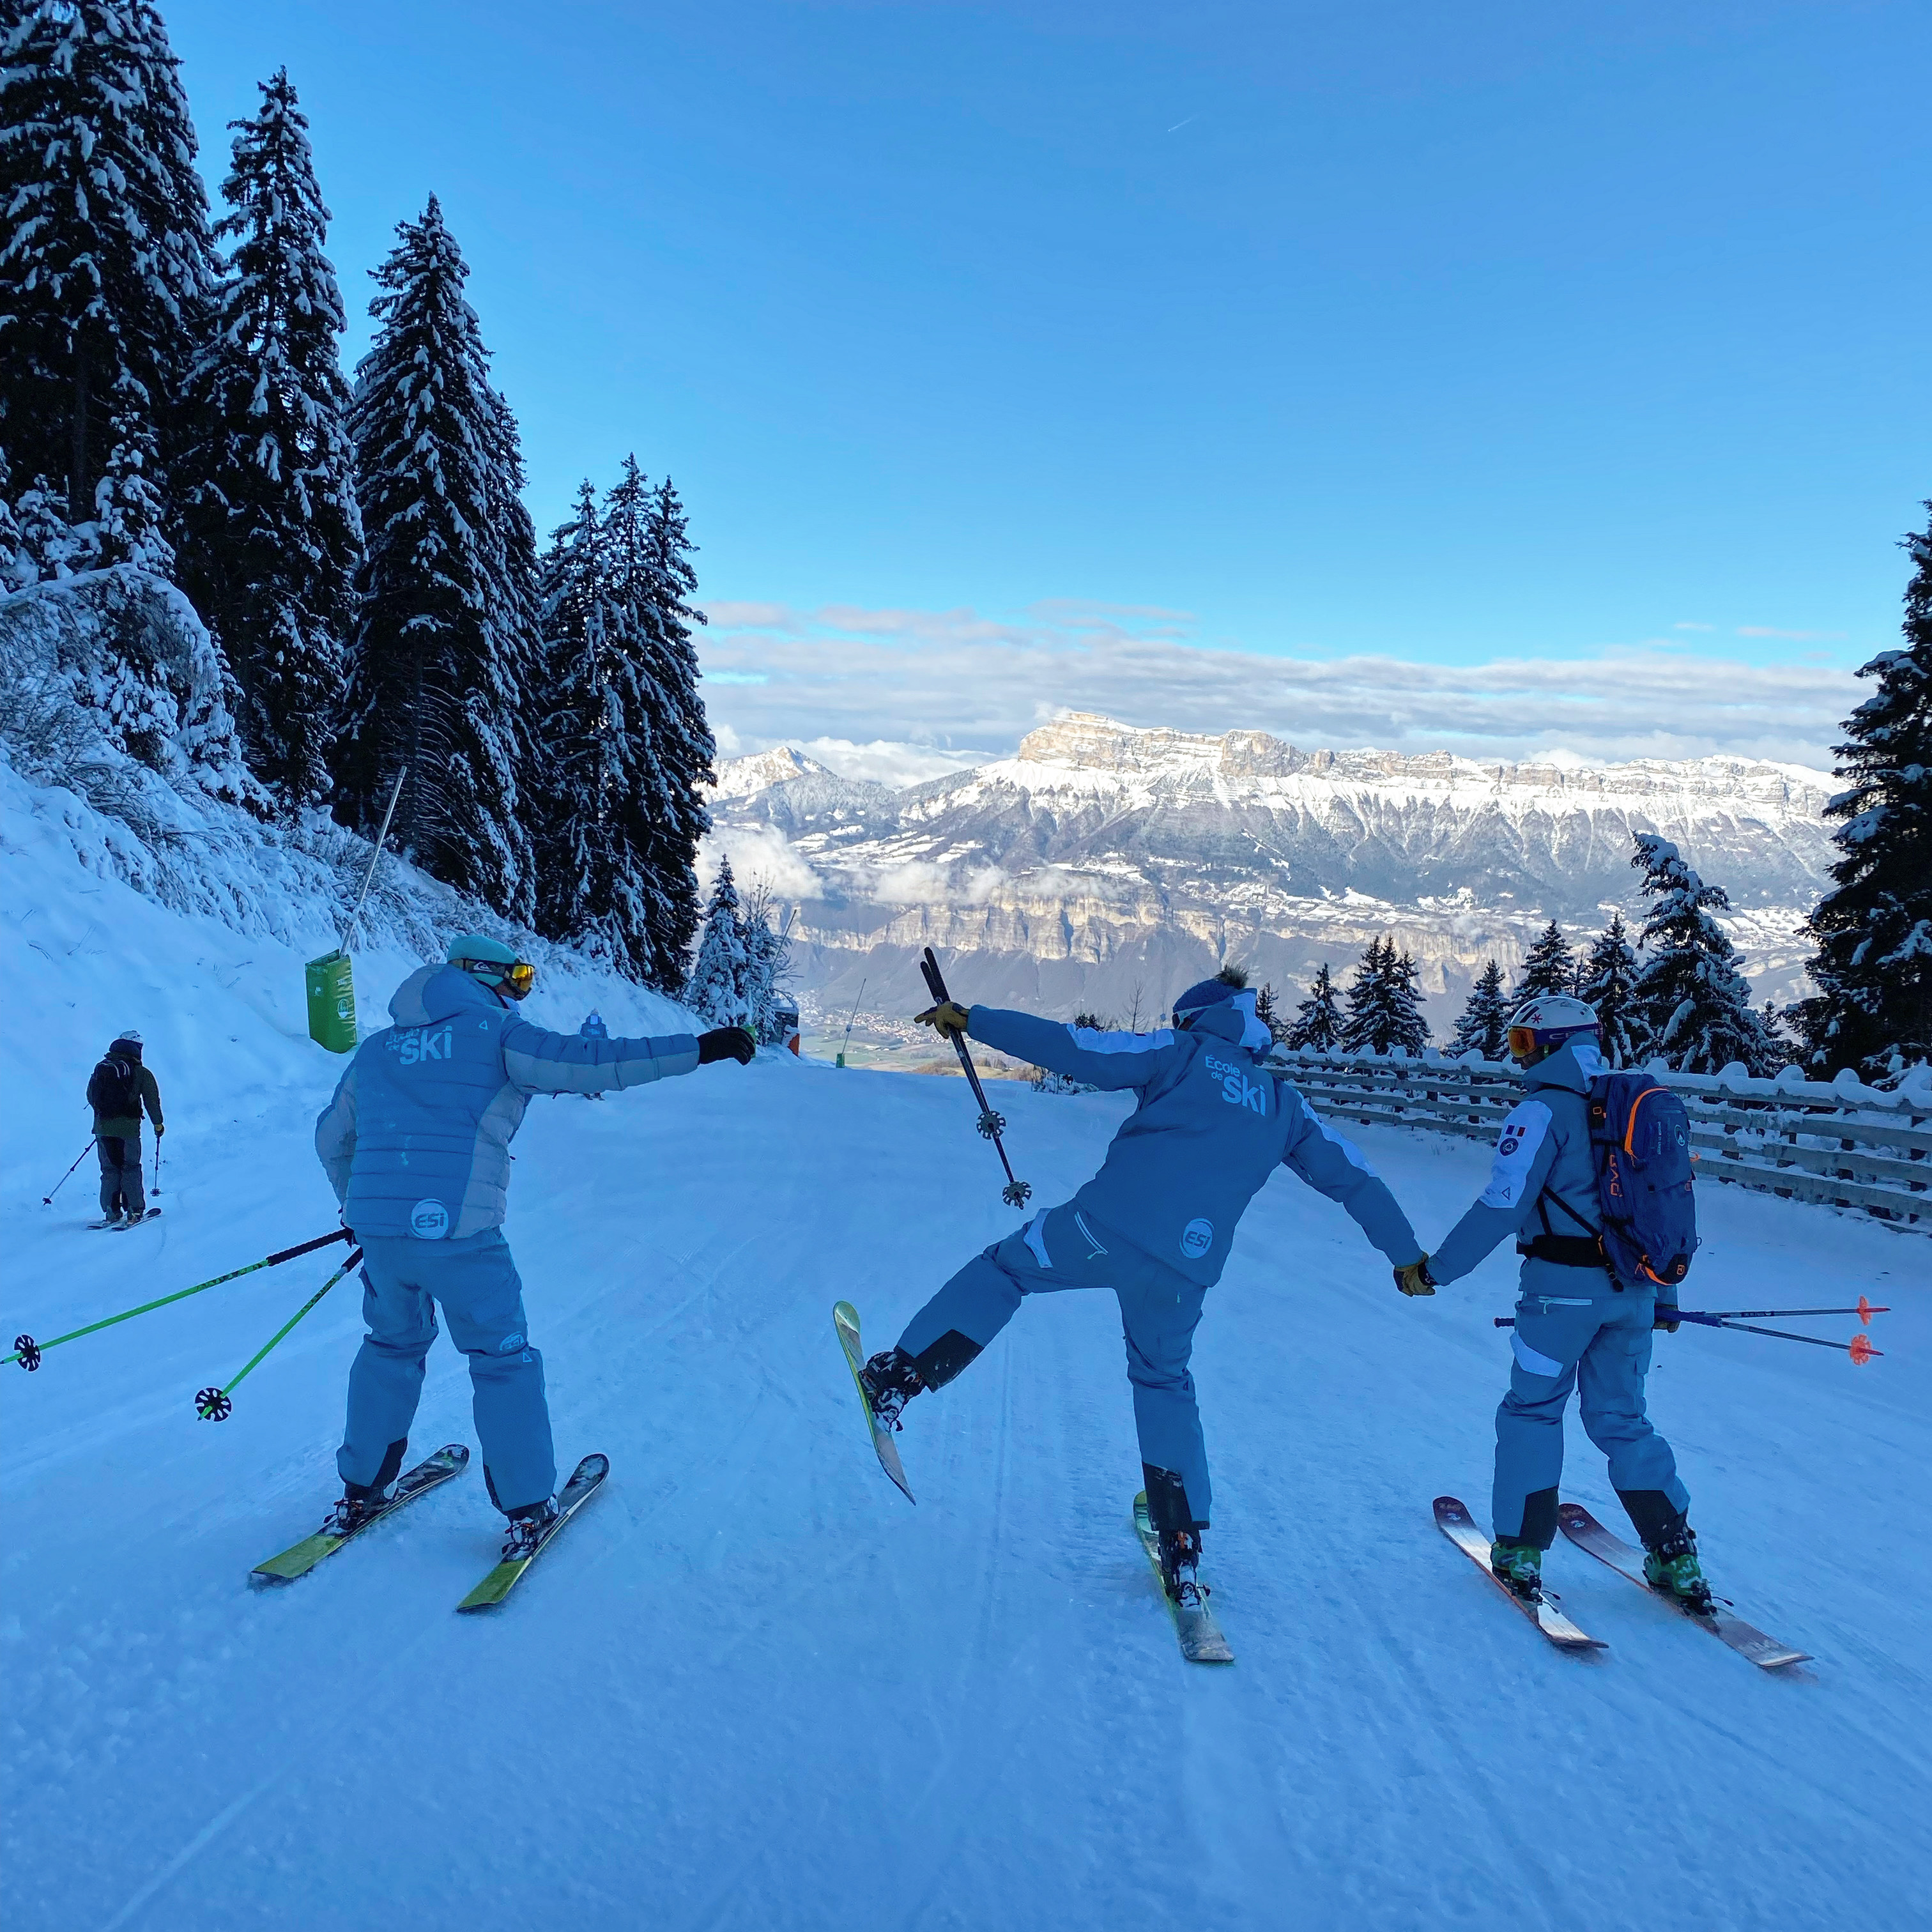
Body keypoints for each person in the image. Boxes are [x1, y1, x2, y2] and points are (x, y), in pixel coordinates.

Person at [857, 968, 1428, 1613]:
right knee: (1163, 1379)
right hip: (1187, 1270)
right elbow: (1354, 1178)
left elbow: (1079, 1050)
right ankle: (1181, 1538)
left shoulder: (1180, 1054)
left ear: (1195, 1020)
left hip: (1105, 1229)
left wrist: (977, 1020)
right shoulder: (1282, 1105)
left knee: (1006, 1270)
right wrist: (1408, 1258)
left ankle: (900, 1378)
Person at [314, 935, 755, 1558]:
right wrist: (697, 1049)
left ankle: (360, 1490)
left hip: (385, 1238)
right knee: (501, 1359)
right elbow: (593, 1062)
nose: (521, 992)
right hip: (462, 1236)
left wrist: (358, 1210)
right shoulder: (497, 1035)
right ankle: (526, 1509)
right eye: (519, 978)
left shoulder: (377, 1050)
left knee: (389, 1348)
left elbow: (332, 1138)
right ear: (483, 977)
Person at [1412, 994, 1711, 1610]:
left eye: (1523, 1043)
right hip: (1634, 1294)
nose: (1519, 1056)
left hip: (1558, 1297)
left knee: (1532, 1411)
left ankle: (1521, 1551)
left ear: (1551, 1045)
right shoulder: (1631, 1106)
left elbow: (1503, 1204)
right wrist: (1665, 1292)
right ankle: (1676, 1555)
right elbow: (1661, 1206)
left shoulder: (1541, 1112)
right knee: (1623, 1421)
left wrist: (1436, 1270)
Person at [86, 1030, 163, 1229]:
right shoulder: (141, 1072)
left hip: (102, 1129)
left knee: (110, 1169)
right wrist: (158, 1123)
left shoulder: (101, 1068)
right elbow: (151, 1100)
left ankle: (112, 1212)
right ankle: (134, 1210)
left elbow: (90, 1096)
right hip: (128, 1130)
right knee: (130, 1168)